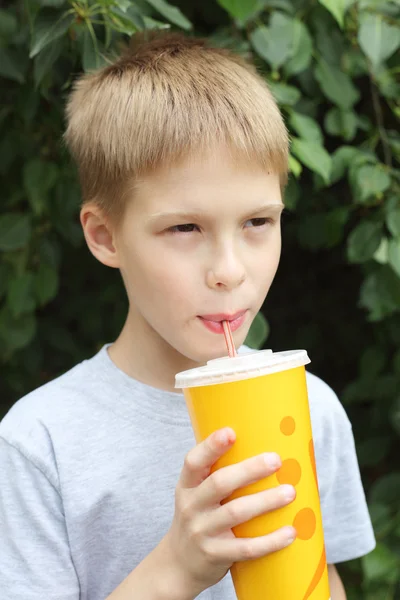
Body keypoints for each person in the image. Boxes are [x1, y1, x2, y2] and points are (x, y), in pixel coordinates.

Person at [0, 31, 375, 600]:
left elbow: (322, 580)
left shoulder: (310, 407)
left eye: (257, 223)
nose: (229, 270)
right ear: (105, 236)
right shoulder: (39, 445)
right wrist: (177, 567)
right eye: (184, 228)